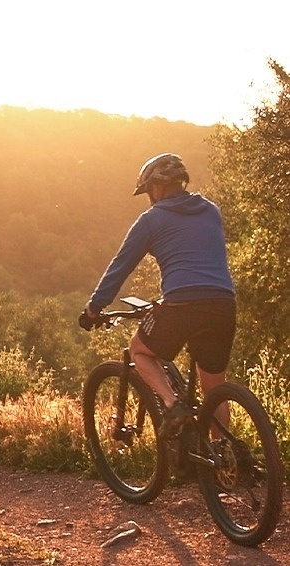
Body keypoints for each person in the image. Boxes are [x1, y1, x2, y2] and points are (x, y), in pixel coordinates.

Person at [79, 153, 236, 438]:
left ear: (158, 187)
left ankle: (173, 404)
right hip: (224, 303)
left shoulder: (151, 220)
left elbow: (119, 267)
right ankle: (226, 459)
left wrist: (94, 308)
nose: (150, 197)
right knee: (214, 390)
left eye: (149, 190)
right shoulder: (211, 210)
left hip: (182, 305)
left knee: (139, 350)